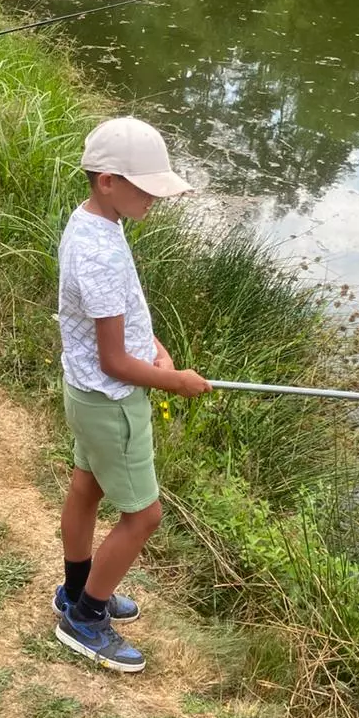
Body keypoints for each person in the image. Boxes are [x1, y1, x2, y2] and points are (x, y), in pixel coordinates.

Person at [54, 117, 211, 673]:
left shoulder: (95, 223)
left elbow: (121, 320)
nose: (154, 199)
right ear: (106, 180)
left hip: (88, 394)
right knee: (144, 517)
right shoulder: (98, 251)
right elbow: (114, 360)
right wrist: (177, 380)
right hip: (112, 399)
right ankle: (86, 616)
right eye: (145, 188)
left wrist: (158, 348)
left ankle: (76, 591)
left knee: (86, 486)